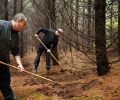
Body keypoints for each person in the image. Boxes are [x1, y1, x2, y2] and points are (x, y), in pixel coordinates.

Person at [0, 13, 27, 100]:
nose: (22, 29)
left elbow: (16, 51)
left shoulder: (16, 35)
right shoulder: (1, 25)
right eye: (22, 26)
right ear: (18, 21)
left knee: (5, 79)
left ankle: (9, 97)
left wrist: (19, 64)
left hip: (3, 60)